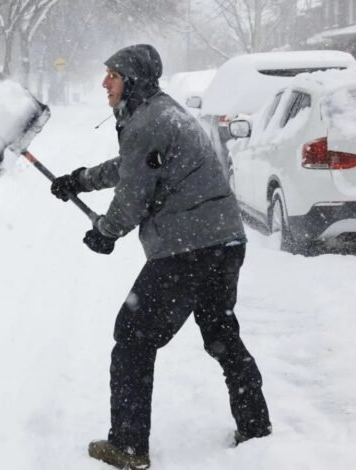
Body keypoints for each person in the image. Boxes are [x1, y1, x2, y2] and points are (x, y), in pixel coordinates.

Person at [50, 44, 272, 469]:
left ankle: (128, 446)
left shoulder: (148, 122)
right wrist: (80, 180)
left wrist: (106, 232)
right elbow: (131, 168)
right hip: (223, 242)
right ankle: (255, 425)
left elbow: (132, 196)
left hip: (187, 249)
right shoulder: (160, 114)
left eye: (112, 76)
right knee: (221, 333)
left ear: (131, 81)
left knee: (133, 336)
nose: (104, 83)